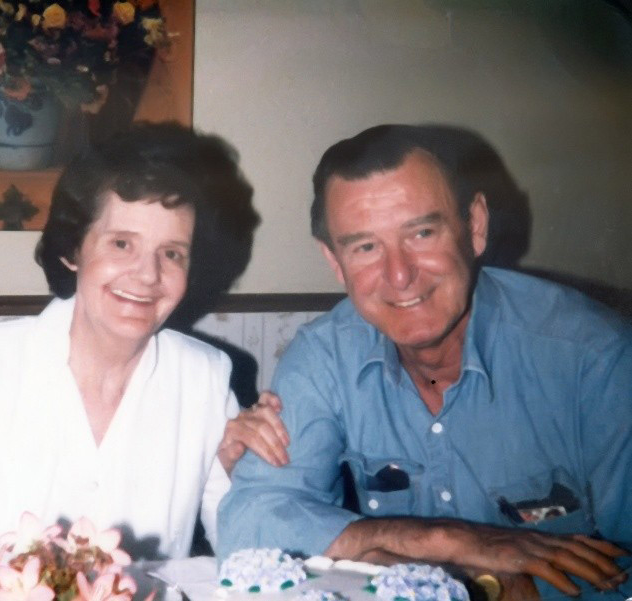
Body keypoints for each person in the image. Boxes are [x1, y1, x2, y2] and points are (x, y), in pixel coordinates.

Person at [0, 122, 273, 600]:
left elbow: (249, 568)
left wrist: (249, 480)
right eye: (122, 243)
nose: (147, 275)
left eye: (172, 253)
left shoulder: (205, 377)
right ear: (75, 248)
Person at [218, 124, 632, 600]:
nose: (400, 275)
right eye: (365, 247)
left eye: (421, 232)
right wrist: (447, 543)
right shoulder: (324, 355)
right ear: (335, 262)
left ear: (474, 226)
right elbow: (251, 518)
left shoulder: (595, 360)